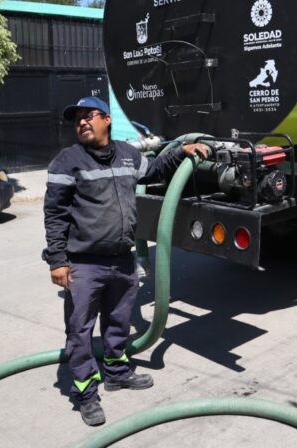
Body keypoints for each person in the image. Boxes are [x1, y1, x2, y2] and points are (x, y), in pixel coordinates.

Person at [42, 96, 208, 426]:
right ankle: (86, 393)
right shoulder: (67, 161)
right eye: (77, 120)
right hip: (83, 263)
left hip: (122, 260)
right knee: (80, 331)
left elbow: (154, 169)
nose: (82, 123)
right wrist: (57, 261)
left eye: (89, 116)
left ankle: (116, 372)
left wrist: (181, 151)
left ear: (107, 120)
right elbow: (55, 215)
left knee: (118, 322)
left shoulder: (129, 154)